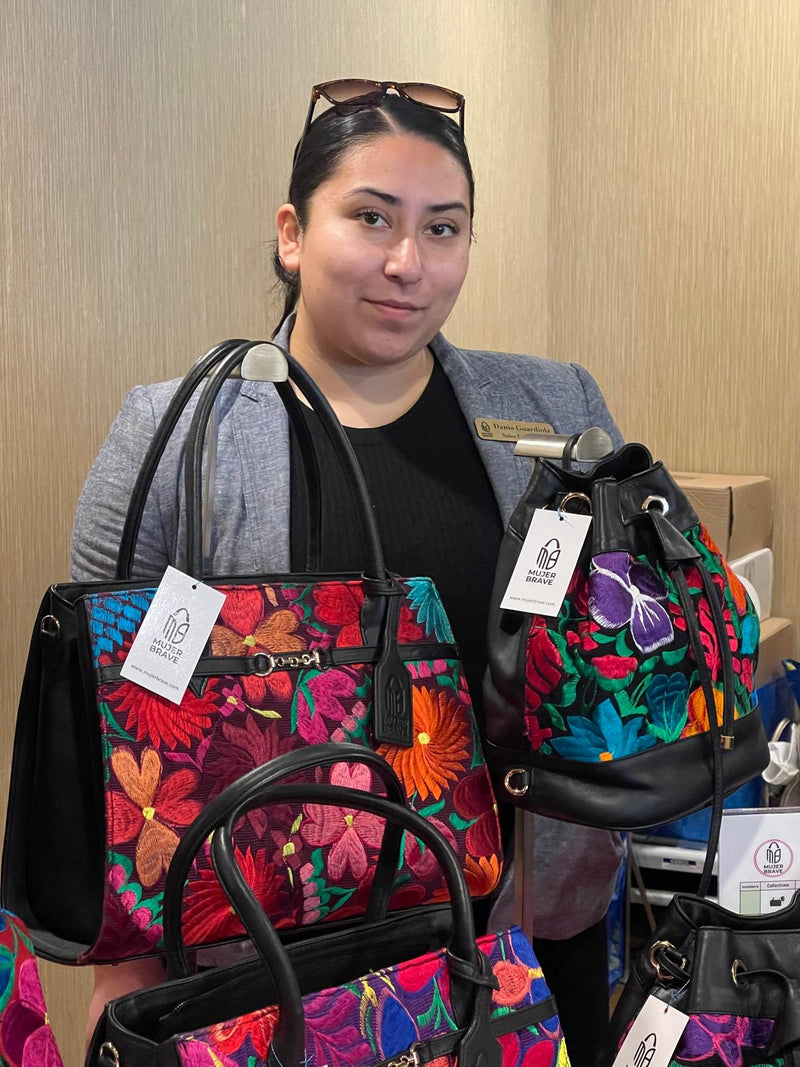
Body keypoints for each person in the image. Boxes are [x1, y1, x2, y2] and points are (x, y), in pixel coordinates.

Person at [72, 80, 624, 1065]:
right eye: (370, 217)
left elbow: (605, 645)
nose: (406, 263)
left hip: (524, 934)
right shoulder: (176, 436)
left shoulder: (547, 406)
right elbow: (112, 707)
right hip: (269, 952)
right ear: (292, 232)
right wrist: (121, 962)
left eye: (441, 228)